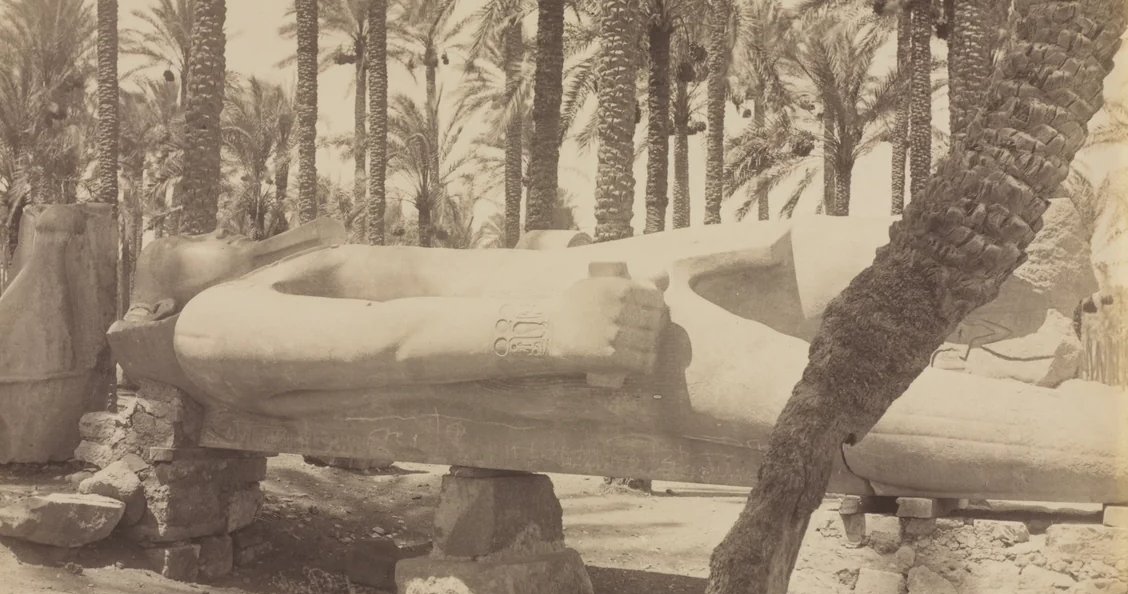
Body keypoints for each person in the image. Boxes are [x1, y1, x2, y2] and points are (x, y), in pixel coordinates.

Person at [118, 217, 1127, 504]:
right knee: (946, 427)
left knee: (879, 249)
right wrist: (553, 330)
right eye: (174, 235)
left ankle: (1032, 308)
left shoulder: (297, 256)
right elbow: (388, 344)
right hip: (609, 357)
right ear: (155, 296)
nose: (192, 226)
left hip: (621, 280)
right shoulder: (208, 329)